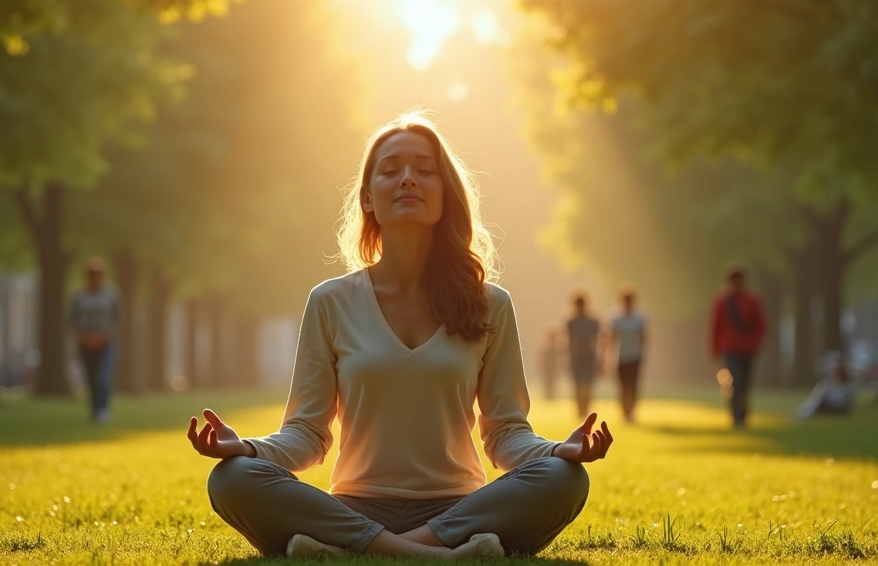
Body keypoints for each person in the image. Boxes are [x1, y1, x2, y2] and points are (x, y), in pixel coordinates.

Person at [186, 114, 612, 559]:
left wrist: (556, 451)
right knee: (231, 477)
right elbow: (307, 433)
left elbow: (505, 433)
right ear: (368, 198)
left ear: (444, 193)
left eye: (424, 170)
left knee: (565, 478)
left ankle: (367, 551)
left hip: (458, 507)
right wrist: (249, 448)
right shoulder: (331, 301)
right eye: (391, 170)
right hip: (357, 506)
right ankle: (436, 555)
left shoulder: (491, 304)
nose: (408, 179)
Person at [709, 264, 766, 429]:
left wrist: (756, 342)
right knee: (734, 382)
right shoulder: (721, 301)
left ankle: (742, 412)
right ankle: (736, 414)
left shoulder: (753, 301)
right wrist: (715, 349)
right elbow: (716, 326)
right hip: (730, 349)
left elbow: (760, 325)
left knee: (745, 383)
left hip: (748, 349)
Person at [69, 257, 120, 423]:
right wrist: (83, 336)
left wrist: (105, 335)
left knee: (103, 377)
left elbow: (118, 319)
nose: (94, 277)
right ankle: (95, 410)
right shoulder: (78, 297)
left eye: (97, 274)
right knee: (90, 379)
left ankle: (103, 410)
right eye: (91, 274)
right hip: (85, 343)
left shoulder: (112, 295)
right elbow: (71, 320)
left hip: (105, 343)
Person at [606, 286, 646, 424]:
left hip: (635, 356)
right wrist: (610, 356)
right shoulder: (616, 318)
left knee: (633, 385)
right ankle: (625, 411)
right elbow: (612, 338)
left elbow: (643, 337)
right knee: (623, 386)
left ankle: (632, 411)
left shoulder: (640, 317)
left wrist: (643, 353)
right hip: (621, 356)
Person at [565, 292, 602, 419]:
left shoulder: (593, 322)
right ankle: (580, 410)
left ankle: (585, 410)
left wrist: (598, 359)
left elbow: (597, 341)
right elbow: (568, 342)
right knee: (578, 385)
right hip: (576, 357)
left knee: (587, 385)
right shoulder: (571, 322)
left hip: (589, 357)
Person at [540, 326, 561, 401]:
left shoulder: (555, 348)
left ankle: (551, 398)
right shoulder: (548, 348)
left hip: (552, 369)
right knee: (548, 384)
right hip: (548, 369)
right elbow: (544, 360)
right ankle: (548, 398)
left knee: (552, 384)